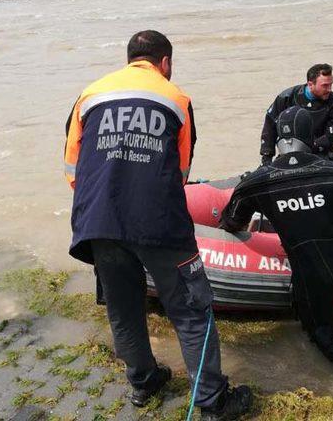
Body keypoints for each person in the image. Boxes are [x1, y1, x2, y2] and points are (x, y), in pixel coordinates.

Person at [64, 30, 252, 419]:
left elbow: (72, 169)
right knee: (191, 308)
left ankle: (144, 382)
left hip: (98, 222)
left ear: (129, 58)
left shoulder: (89, 95)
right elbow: (181, 171)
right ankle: (213, 401)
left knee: (124, 309)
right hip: (158, 221)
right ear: (164, 63)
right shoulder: (176, 99)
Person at [222, 106, 333, 380]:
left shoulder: (256, 183)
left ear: (278, 139)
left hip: (311, 274)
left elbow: (231, 222)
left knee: (319, 329)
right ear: (310, 136)